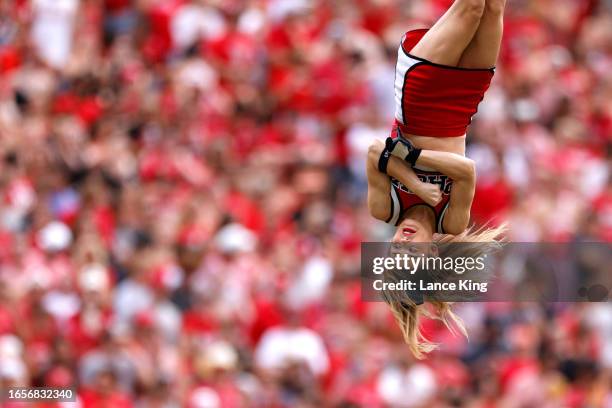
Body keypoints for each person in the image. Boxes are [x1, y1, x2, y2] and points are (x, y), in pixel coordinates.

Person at [365, 0, 508, 358]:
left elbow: (373, 151)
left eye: (393, 250)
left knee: (472, 7)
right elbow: (468, 170)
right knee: (494, 9)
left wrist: (413, 182)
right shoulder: (453, 220)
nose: (401, 243)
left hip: (420, 96)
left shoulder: (385, 208)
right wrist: (405, 160)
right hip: (464, 101)